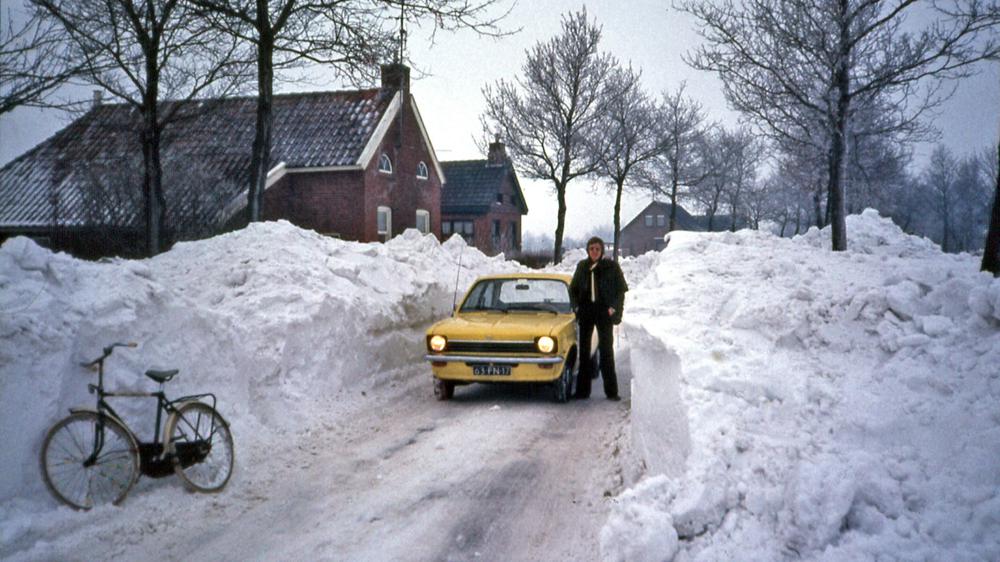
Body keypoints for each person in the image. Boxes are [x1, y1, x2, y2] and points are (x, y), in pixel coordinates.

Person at [569, 236, 628, 400]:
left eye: (597, 249)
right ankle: (582, 391)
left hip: (604, 312)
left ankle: (611, 392)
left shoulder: (611, 267)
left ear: (602, 250)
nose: (594, 252)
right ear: (587, 251)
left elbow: (621, 290)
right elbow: (572, 290)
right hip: (586, 311)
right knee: (585, 351)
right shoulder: (582, 267)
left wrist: (614, 308)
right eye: (591, 249)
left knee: (606, 351)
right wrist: (577, 307)